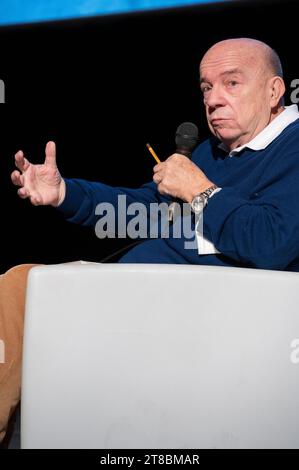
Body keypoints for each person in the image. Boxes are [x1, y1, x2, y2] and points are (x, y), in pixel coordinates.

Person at [1, 37, 299, 443]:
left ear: (274, 91)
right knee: (24, 283)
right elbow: (142, 212)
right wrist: (65, 193)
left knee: (24, 290)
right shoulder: (213, 153)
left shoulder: (293, 147)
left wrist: (201, 191)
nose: (213, 100)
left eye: (231, 83)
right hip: (147, 301)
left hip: (220, 319)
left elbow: (273, 242)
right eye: (206, 87)